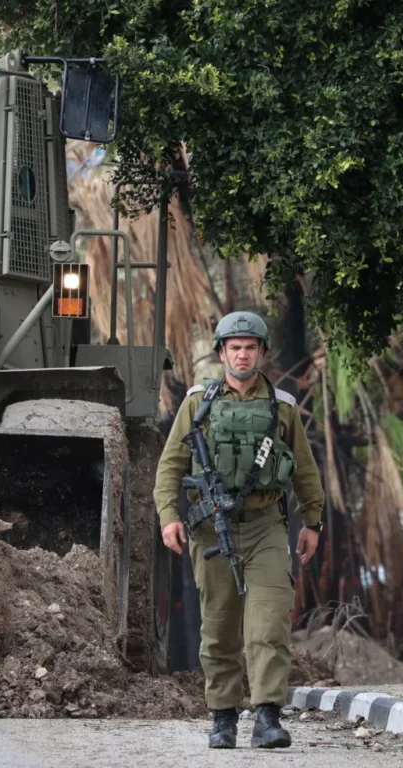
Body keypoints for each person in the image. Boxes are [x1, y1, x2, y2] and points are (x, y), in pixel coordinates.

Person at [153, 311, 325, 749]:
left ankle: (267, 716)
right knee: (219, 627)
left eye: (250, 347)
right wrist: (168, 515)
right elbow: (171, 464)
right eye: (235, 347)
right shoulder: (198, 402)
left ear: (261, 353)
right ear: (222, 353)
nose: (243, 354)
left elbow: (304, 471)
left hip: (267, 525)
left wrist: (312, 521)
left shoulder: (282, 406)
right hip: (211, 528)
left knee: (269, 624)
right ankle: (223, 718)